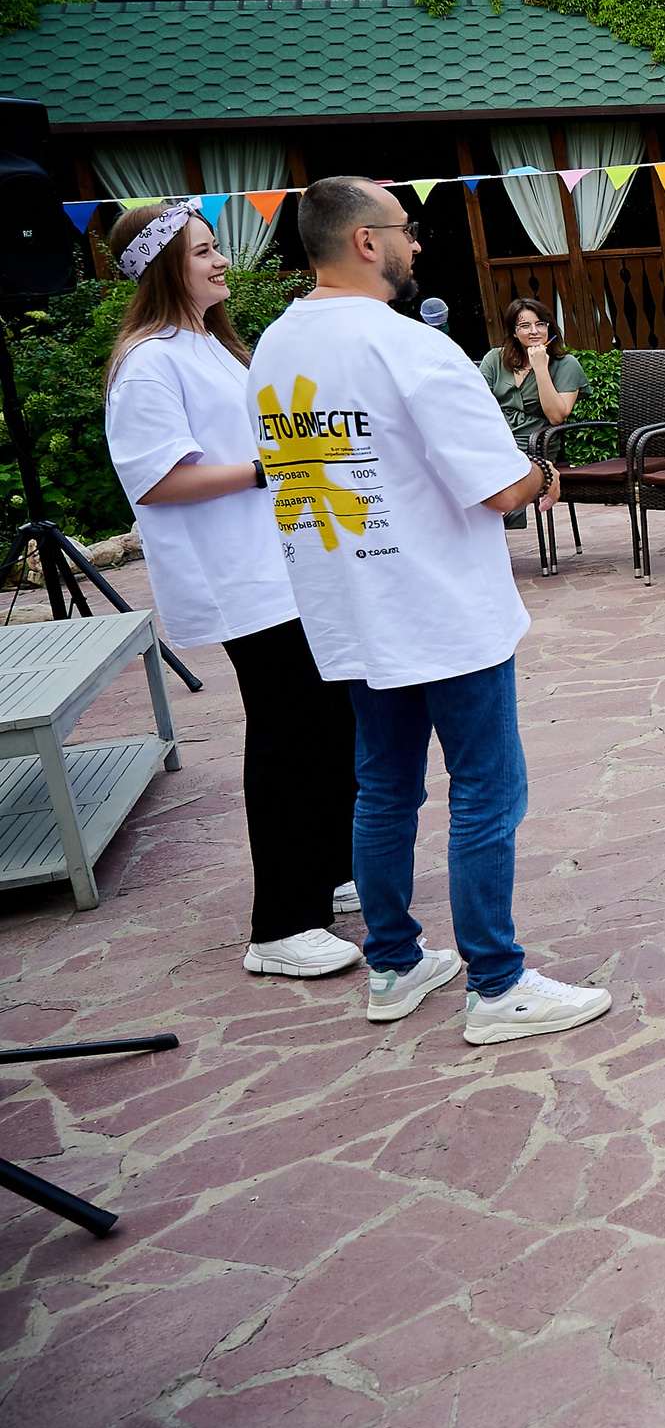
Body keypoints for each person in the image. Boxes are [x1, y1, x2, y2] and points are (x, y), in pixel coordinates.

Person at [250, 175, 612, 1046]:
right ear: (366, 242)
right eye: (405, 230)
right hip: (441, 607)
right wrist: (543, 477)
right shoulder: (408, 346)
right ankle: (497, 983)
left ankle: (394, 962)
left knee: (383, 788)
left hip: (349, 603)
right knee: (485, 791)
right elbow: (495, 486)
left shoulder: (271, 347)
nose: (417, 245)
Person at [101, 200, 361, 981]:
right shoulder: (150, 361)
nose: (221, 262)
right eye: (204, 251)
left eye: (218, 248)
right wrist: (266, 469)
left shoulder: (210, 346)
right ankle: (281, 925)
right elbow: (158, 477)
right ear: (160, 267)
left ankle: (328, 869)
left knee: (327, 723)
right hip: (239, 579)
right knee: (287, 736)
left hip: (282, 567)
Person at [479, 298, 586, 452]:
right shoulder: (495, 359)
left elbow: (556, 417)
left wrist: (540, 367)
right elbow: (478, 403)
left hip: (535, 444)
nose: (534, 331)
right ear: (514, 332)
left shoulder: (566, 364)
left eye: (540, 324)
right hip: (496, 441)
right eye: (524, 326)